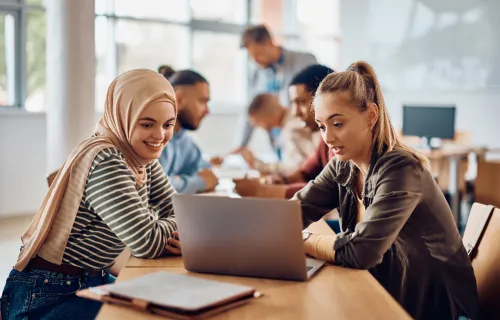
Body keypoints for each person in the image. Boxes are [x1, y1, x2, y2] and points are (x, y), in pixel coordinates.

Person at [296, 61, 477, 319]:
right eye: (322, 126)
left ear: (371, 115)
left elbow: (361, 252)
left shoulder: (401, 168)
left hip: (439, 308)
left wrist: (305, 240)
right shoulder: (343, 166)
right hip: (391, 293)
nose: (327, 138)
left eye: (337, 124)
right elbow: (292, 213)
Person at [0, 69, 182, 319]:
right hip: (48, 292)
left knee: (172, 303)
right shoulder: (107, 159)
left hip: (89, 279)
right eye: (147, 124)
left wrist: (175, 225)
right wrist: (179, 226)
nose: (160, 136)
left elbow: (178, 210)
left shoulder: (140, 156)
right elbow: (146, 242)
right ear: (124, 116)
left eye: (168, 124)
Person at [234, 64, 334, 199]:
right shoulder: (324, 138)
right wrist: (283, 181)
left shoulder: (340, 140)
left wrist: (262, 190)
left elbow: (329, 191)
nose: (295, 112)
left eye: (302, 102)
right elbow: (305, 172)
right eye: (293, 103)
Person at [235, 24, 317, 153]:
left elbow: (315, 100)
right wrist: (241, 146)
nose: (256, 61)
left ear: (269, 42)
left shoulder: (303, 61)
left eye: (258, 54)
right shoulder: (257, 74)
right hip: (278, 142)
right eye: (252, 57)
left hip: (303, 139)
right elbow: (252, 110)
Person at [158, 70, 219, 194]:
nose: (207, 111)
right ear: (179, 100)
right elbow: (155, 186)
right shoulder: (153, 139)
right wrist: (199, 182)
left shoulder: (185, 142)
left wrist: (183, 181)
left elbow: (206, 172)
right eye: (202, 102)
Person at [246, 93, 319, 175]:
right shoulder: (291, 121)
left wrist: (259, 166)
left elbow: (296, 168)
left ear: (270, 116)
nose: (260, 128)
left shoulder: (292, 129)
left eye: (259, 124)